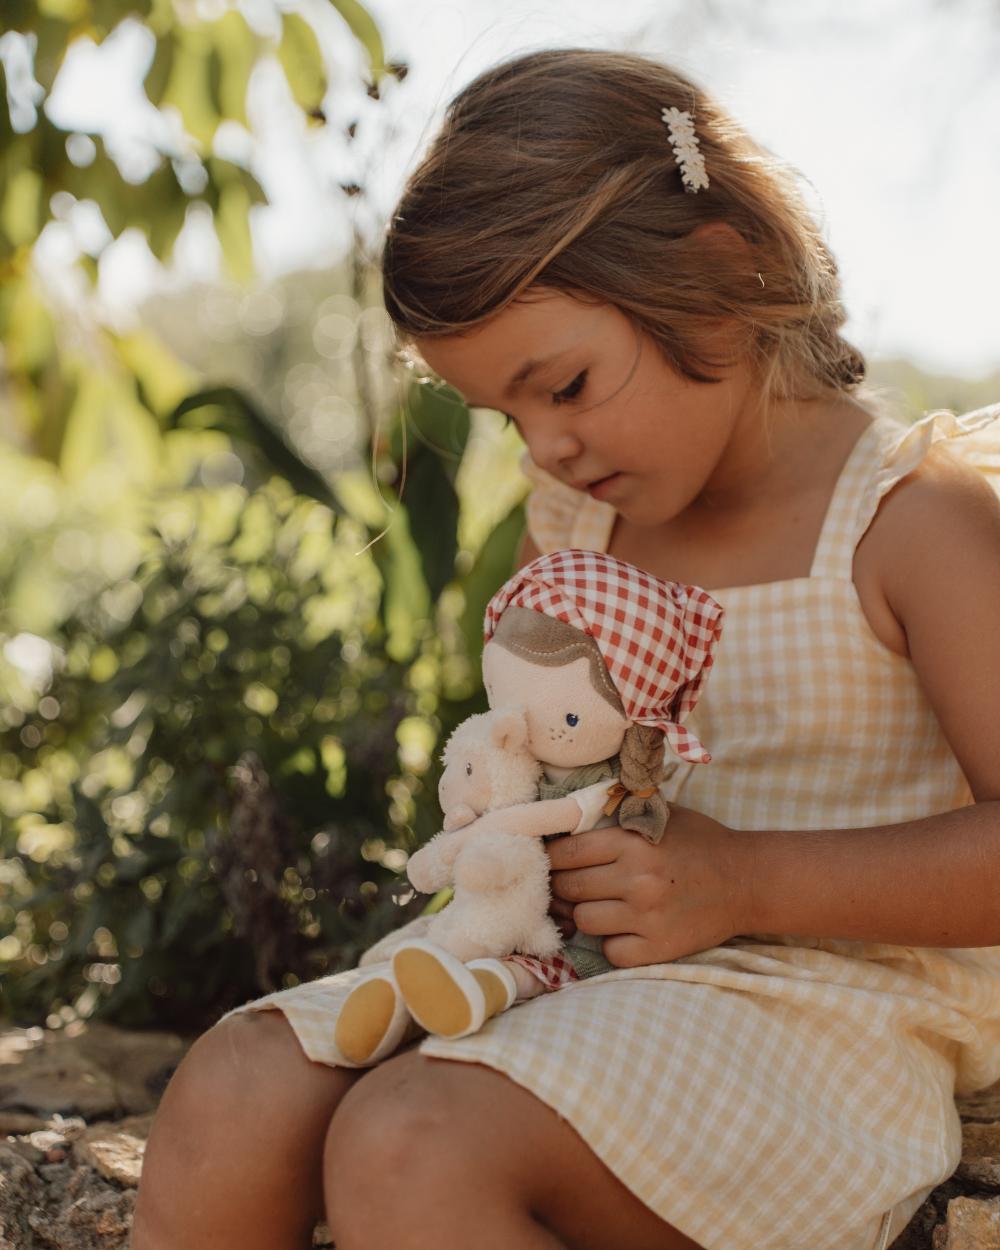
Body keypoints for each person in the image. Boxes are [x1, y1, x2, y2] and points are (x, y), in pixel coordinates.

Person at [133, 49, 1000, 1250]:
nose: (546, 447)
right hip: (571, 971)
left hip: (821, 1017)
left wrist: (746, 878)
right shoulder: (583, 525)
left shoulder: (914, 523)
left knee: (410, 1141)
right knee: (232, 1085)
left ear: (717, 270)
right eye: (505, 415)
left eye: (567, 385)